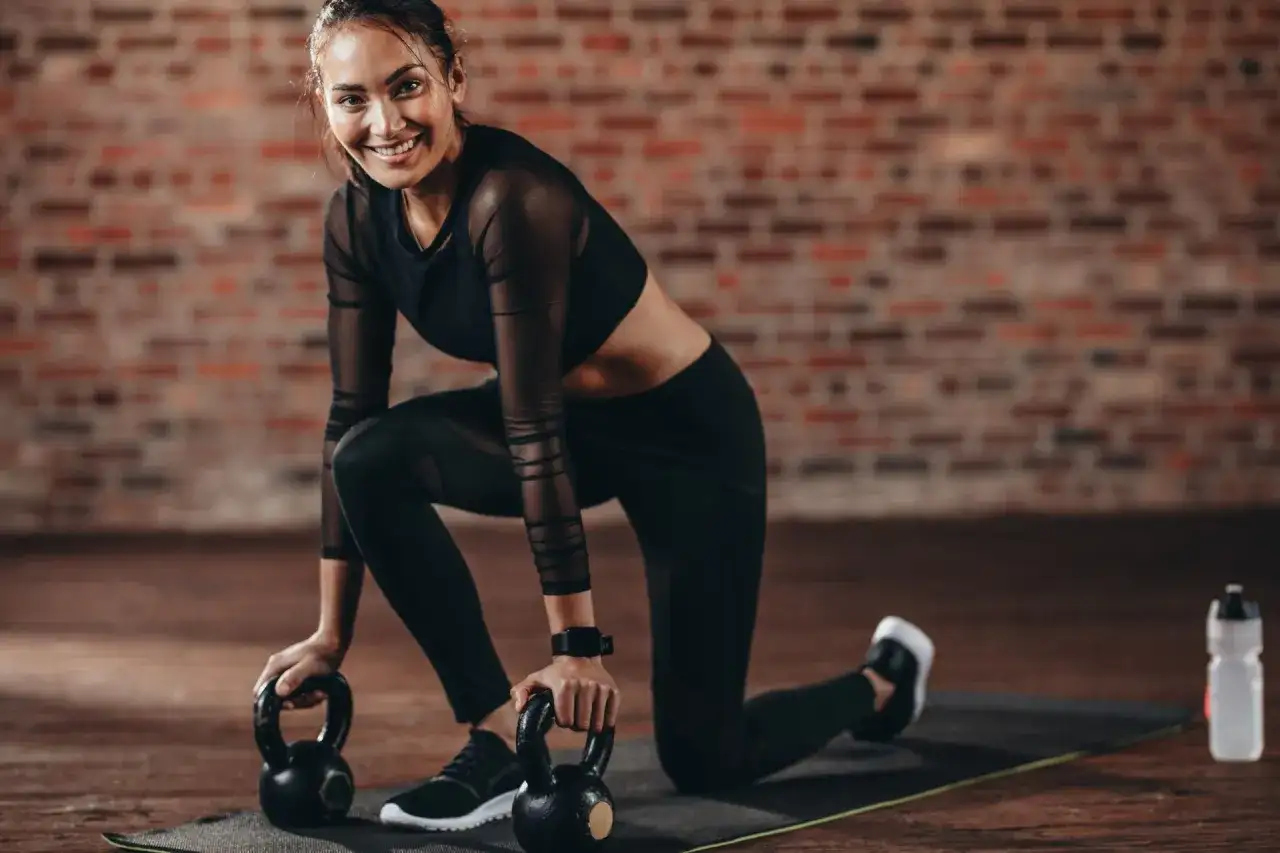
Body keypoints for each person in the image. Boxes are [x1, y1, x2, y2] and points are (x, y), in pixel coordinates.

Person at [253, 0, 936, 834]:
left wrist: (576, 649)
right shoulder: (356, 220)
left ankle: (885, 681)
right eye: (352, 98)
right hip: (564, 425)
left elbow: (532, 428)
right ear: (322, 103)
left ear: (453, 80)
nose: (385, 124)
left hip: (686, 434)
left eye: (407, 87)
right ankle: (495, 735)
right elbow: (349, 416)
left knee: (706, 754)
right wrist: (330, 634)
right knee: (367, 454)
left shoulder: (513, 199)